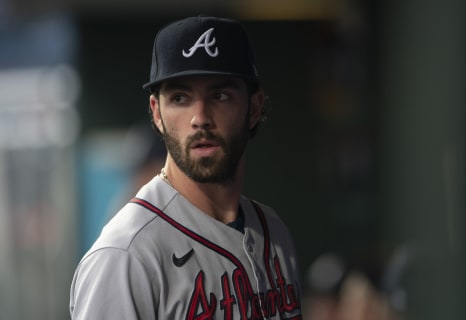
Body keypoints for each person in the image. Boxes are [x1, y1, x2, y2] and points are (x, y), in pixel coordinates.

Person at [69, 15, 303, 319]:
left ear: (254, 108)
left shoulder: (275, 233)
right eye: (180, 98)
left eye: (220, 95)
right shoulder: (126, 257)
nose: (200, 117)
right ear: (157, 113)